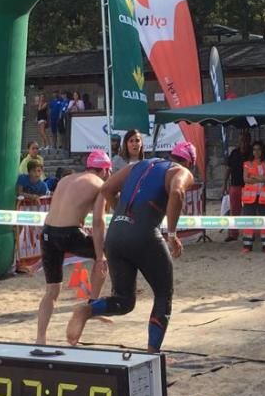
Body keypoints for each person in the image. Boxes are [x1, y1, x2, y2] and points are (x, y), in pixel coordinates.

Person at [66, 142, 197, 351]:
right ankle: (152, 351)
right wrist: (172, 234)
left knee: (124, 300)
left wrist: (123, 214)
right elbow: (177, 193)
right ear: (190, 163)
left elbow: (107, 188)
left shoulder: (139, 165)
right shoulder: (180, 171)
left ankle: (87, 310)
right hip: (145, 235)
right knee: (163, 294)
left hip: (116, 234)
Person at [35, 151, 113, 344]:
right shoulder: (100, 185)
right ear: (105, 170)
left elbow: (62, 210)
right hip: (68, 233)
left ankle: (40, 338)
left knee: (51, 291)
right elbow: (98, 222)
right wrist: (100, 253)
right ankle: (92, 305)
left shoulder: (66, 179)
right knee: (103, 257)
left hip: (48, 233)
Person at [240, 140, 265, 253]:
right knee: (249, 221)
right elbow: (245, 179)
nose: (256, 152)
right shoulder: (247, 164)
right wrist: (261, 178)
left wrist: (254, 177)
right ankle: (247, 245)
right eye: (254, 149)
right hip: (250, 198)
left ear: (262, 151)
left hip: (264, 197)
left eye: (259, 149)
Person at [222, 131, 251, 242]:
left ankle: (249, 233)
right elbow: (228, 169)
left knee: (249, 211)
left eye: (245, 141)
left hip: (249, 186)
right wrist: (224, 183)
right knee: (234, 211)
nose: (243, 143)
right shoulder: (234, 153)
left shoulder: (251, 154)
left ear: (248, 141)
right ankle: (233, 234)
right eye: (241, 141)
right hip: (235, 185)